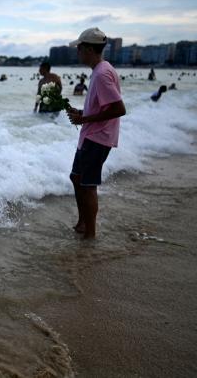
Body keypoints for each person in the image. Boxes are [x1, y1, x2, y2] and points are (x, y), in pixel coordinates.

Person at [66, 27, 126, 239]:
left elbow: (119, 109)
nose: (77, 52)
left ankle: (90, 233)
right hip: (91, 134)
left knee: (88, 185)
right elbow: (103, 106)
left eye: (79, 48)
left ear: (89, 49)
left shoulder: (101, 74)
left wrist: (84, 119)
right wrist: (83, 112)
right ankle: (83, 222)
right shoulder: (101, 70)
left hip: (98, 137)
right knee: (76, 177)